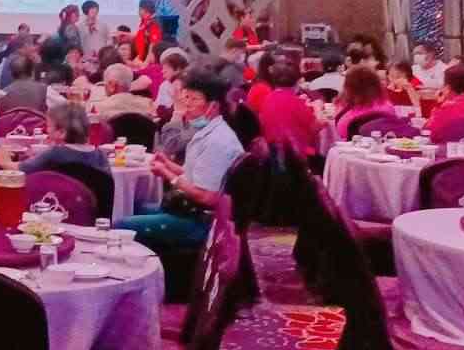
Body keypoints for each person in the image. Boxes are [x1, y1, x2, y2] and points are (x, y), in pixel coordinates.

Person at [118, 66, 244, 254]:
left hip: (200, 221)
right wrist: (168, 165)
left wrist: (168, 175)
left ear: (214, 106)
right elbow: (197, 175)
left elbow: (207, 196)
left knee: (121, 226)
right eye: (186, 98)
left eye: (194, 99)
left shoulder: (217, 141)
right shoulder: (209, 131)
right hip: (190, 211)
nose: (187, 104)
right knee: (137, 206)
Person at [12, 101, 108, 174]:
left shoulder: (55, 153)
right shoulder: (100, 155)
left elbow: (21, 169)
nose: (47, 130)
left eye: (49, 126)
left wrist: (5, 160)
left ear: (62, 132)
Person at [258, 62, 320, 162]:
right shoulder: (296, 102)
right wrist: (318, 107)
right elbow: (315, 127)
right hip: (298, 156)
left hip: (274, 155)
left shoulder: (267, 99)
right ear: (298, 81)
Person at [335, 66, 395, 139]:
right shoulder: (389, 107)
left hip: (351, 145)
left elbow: (340, 133)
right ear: (377, 84)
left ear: (348, 87)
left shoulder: (345, 115)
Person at [155, 49, 189, 116]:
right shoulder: (164, 85)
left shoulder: (188, 85)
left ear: (177, 69)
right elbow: (157, 105)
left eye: (166, 69)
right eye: (163, 68)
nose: (163, 71)